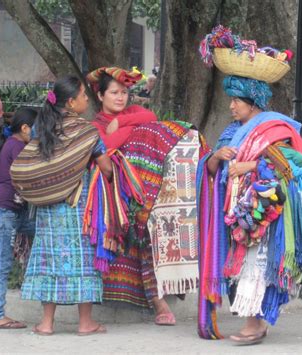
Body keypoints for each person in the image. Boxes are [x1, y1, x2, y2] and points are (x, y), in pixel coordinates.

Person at [196, 63, 302, 344]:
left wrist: (247, 165)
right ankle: (255, 321)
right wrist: (216, 157)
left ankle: (255, 324)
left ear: (253, 102)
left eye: (236, 100)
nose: (232, 106)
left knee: (255, 265)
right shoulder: (231, 132)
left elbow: (291, 165)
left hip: (265, 211)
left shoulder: (274, 127)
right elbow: (210, 170)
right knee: (243, 264)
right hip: (237, 211)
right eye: (231, 100)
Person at [87, 67, 209, 326]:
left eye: (124, 93)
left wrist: (122, 123)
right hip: (116, 190)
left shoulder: (130, 114)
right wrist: (129, 130)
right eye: (114, 93)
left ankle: (164, 297)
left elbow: (149, 115)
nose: (120, 98)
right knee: (142, 228)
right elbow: (107, 146)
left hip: (149, 187)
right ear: (100, 96)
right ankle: (158, 303)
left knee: (155, 227)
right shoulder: (95, 126)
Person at [19, 76, 112, 336]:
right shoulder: (86, 131)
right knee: (82, 259)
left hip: (48, 207)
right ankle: (85, 323)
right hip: (78, 205)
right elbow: (105, 166)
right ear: (71, 102)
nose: (86, 100)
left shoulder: (41, 128)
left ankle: (46, 324)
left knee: (49, 260)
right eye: (83, 96)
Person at [0, 107, 38, 330]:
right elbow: (29, 174)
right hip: (4, 212)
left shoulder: (17, 144)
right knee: (3, 263)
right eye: (37, 129)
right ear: (25, 128)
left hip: (13, 212)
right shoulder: (16, 146)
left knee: (43, 229)